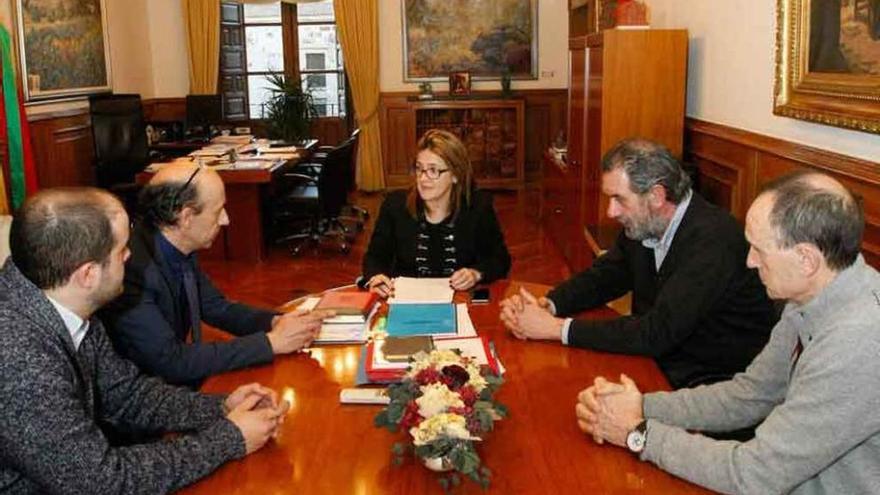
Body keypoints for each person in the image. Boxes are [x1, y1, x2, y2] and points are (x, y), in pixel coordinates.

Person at [576, 171, 880, 494]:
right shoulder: (810, 295)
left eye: (759, 250)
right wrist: (643, 406)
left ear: (806, 259)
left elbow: (754, 474)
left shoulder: (858, 341)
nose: (749, 262)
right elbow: (750, 394)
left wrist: (637, 433)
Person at [0, 188, 289, 494]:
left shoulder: (63, 297)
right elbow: (101, 481)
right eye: (122, 249)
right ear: (88, 275)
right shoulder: (18, 356)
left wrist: (220, 407)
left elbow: (128, 395)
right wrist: (229, 438)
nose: (130, 255)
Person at [500, 138, 776, 388]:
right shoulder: (646, 222)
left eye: (619, 199)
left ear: (656, 196)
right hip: (658, 361)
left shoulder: (714, 240)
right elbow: (607, 276)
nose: (611, 211)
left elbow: (657, 331)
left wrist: (554, 328)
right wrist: (547, 304)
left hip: (709, 381)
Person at [100, 163, 332, 387]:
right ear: (186, 216)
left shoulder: (176, 244)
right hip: (146, 401)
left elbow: (215, 307)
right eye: (218, 210)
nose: (226, 220)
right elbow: (170, 360)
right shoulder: (130, 269)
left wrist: (275, 321)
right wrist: (270, 343)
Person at [361, 129, 511, 297]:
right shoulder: (395, 206)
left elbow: (500, 260)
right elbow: (375, 257)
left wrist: (476, 273)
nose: (423, 179)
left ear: (455, 175)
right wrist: (376, 277)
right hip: (407, 300)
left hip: (461, 301)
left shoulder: (478, 208)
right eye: (419, 169)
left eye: (433, 170)